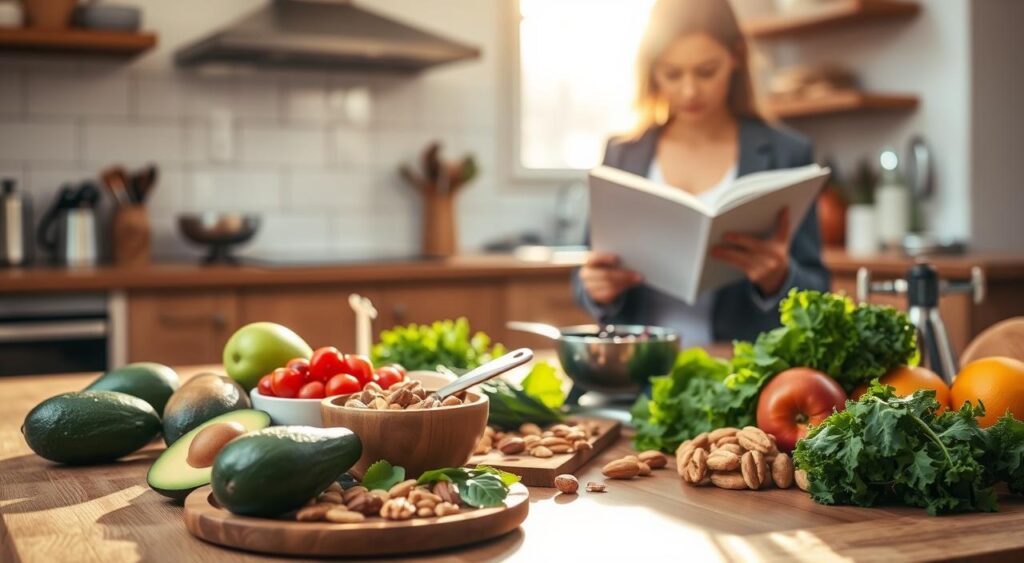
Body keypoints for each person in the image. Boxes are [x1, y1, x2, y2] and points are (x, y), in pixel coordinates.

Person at [573, 0, 829, 345]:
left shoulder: (787, 153)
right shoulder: (623, 154)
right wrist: (599, 288)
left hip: (741, 374)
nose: (690, 90)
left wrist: (779, 278)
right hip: (638, 372)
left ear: (736, 57)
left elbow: (819, 289)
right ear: (652, 71)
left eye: (707, 71)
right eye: (672, 74)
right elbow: (586, 276)